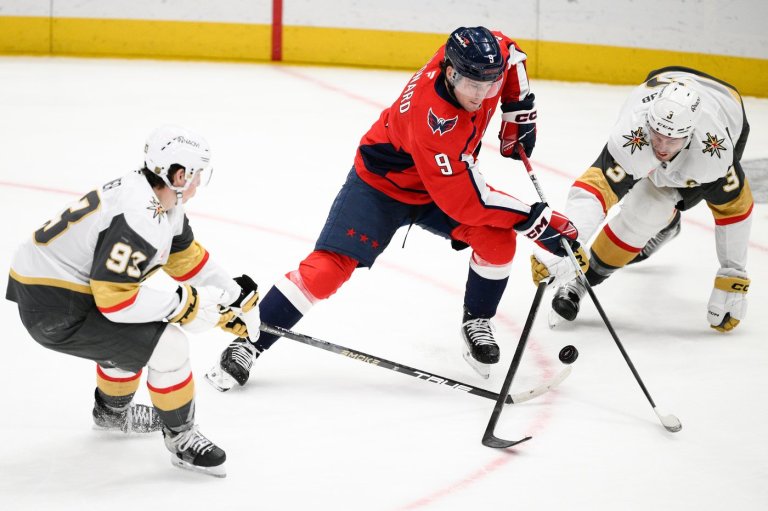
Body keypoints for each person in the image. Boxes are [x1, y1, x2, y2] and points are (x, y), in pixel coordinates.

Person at [205, 26, 579, 391]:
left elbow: (509, 51)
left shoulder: (474, 60)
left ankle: (476, 320)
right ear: (450, 74)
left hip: (441, 184)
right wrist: (535, 220)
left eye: (489, 86)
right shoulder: (436, 121)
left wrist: (518, 109)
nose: (481, 96)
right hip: (382, 187)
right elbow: (466, 202)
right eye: (472, 85)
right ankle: (249, 342)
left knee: (497, 243)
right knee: (326, 271)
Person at [5, 126, 261, 477]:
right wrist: (185, 307)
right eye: (198, 173)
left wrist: (233, 294)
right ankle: (182, 440)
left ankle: (112, 415)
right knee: (168, 346)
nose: (200, 182)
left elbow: (184, 258)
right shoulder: (138, 215)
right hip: (56, 306)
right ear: (179, 174)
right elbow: (115, 303)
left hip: (57, 290)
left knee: (135, 338)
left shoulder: (158, 199)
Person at [529, 66, 753, 332]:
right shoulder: (633, 131)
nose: (661, 147)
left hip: (729, 108)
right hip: (663, 81)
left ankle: (661, 222)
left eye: (672, 140)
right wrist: (566, 239)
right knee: (647, 209)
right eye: (657, 136)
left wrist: (732, 277)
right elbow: (594, 190)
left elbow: (733, 210)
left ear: (690, 134)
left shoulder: (715, 152)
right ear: (648, 122)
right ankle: (582, 280)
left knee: (653, 206)